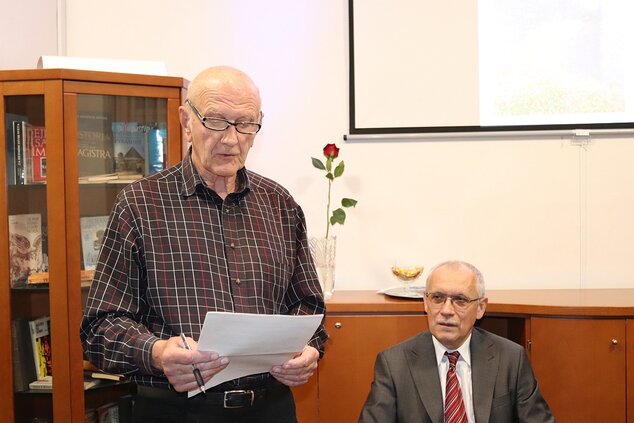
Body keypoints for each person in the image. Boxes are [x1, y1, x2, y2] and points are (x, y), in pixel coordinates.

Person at [80, 66, 328, 423]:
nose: (231, 139)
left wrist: (308, 350)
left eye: (245, 124)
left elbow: (308, 306)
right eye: (216, 121)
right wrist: (157, 351)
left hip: (270, 409)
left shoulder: (280, 205)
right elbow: (100, 328)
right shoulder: (139, 204)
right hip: (174, 410)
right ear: (186, 120)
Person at [359, 260, 554, 423]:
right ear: (425, 302)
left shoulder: (511, 359)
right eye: (437, 298)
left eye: (460, 300)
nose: (446, 310)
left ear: (480, 308)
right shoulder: (394, 364)